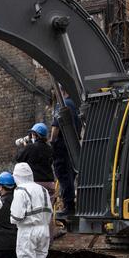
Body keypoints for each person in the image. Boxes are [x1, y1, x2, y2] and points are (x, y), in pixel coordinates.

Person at [10, 163, 52, 258]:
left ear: (17, 177)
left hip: (28, 230)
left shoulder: (21, 190)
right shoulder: (43, 190)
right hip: (44, 229)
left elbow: (16, 216)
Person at [51, 88, 81, 216]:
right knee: (70, 174)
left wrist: (52, 141)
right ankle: (70, 204)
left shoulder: (63, 104)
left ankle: (68, 206)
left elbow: (55, 127)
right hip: (73, 144)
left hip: (62, 145)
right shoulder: (75, 104)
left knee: (63, 175)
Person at [16, 123, 55, 202]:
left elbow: (18, 158)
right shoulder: (49, 148)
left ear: (35, 134)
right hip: (49, 182)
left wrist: (26, 147)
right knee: (48, 208)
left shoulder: (30, 147)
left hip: (36, 182)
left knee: (37, 208)